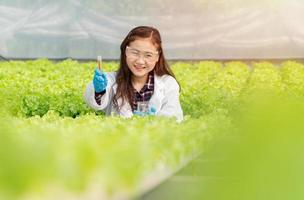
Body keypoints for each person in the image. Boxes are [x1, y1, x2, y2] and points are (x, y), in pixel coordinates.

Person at [84, 26, 183, 122]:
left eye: (148, 55)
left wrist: (151, 123)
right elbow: (95, 104)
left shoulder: (168, 84)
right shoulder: (111, 80)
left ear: (157, 57)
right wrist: (99, 91)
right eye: (135, 53)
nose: (140, 61)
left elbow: (173, 118)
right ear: (125, 52)